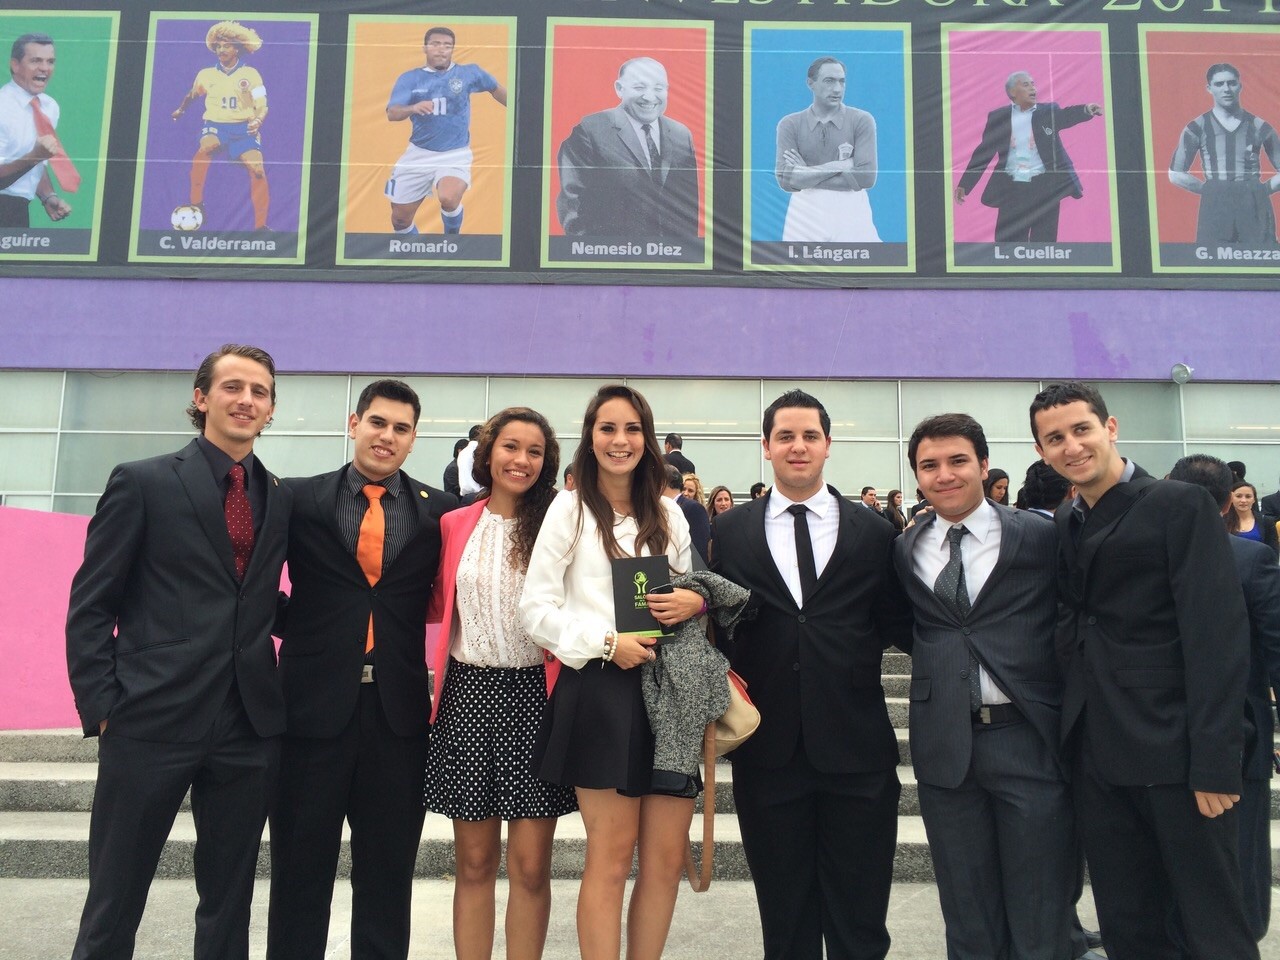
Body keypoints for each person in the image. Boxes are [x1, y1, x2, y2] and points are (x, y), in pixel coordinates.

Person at [66, 343, 291, 960]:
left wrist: (353, 629)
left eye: (260, 392)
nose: (247, 400)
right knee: (115, 894)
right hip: (149, 718)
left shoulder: (277, 494)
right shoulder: (141, 482)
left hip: (247, 725)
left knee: (229, 897)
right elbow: (92, 602)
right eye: (233, 387)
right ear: (201, 398)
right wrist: (104, 704)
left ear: (271, 409)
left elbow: (260, 600)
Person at [1029, 380, 1257, 960]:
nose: (1071, 446)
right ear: (1041, 452)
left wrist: (1215, 761)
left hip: (1176, 751)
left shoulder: (1176, 503)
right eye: (1054, 439)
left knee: (1211, 923)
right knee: (1128, 923)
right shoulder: (1065, 519)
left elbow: (1216, 636)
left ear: (1110, 428)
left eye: (1081, 429)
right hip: (1098, 754)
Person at [711, 389, 913, 960]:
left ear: (828, 445)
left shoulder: (875, 532)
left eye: (809, 436)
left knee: (861, 916)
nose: (797, 446)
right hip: (767, 750)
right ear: (766, 448)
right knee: (785, 915)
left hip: (857, 749)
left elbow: (898, 622)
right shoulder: (730, 532)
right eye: (784, 436)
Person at [267, 379, 457, 960]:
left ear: (414, 439)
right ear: (355, 424)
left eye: (401, 429)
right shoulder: (297, 498)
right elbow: (252, 588)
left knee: (387, 877)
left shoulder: (439, 515)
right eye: (378, 423)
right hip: (307, 713)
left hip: (397, 719)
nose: (387, 436)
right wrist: (304, 628)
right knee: (299, 873)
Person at [894, 414, 1090, 960]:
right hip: (944, 746)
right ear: (917, 477)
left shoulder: (1040, 534)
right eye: (929, 466)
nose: (945, 475)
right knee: (967, 908)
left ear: (983, 465)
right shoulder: (906, 547)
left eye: (958, 461)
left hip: (1027, 736)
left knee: (1041, 905)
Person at [520, 384, 704, 960]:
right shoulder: (569, 509)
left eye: (631, 430)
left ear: (647, 440)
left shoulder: (670, 514)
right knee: (612, 853)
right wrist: (605, 642)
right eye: (607, 429)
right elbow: (535, 611)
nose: (619, 441)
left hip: (668, 690)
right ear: (590, 437)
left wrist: (692, 602)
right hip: (600, 689)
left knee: (666, 861)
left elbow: (684, 591)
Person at [425, 407, 577, 960]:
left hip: (537, 700)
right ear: (487, 454)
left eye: (534, 451)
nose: (521, 460)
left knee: (532, 868)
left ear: (547, 462)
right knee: (473, 862)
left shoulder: (563, 525)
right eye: (510, 447)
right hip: (468, 698)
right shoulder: (452, 524)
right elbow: (435, 602)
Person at [1170, 454, 1280, 943]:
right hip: (1242, 736)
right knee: (1242, 865)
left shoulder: (1249, 560)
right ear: (1224, 503)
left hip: (1171, 733)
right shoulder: (1251, 558)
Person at [556, 57, 699, 239]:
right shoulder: (591, 129)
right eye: (639, 87)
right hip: (612, 253)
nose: (649, 97)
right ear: (619, 89)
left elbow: (689, 204)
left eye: (658, 88)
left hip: (668, 256)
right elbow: (572, 202)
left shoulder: (681, 134)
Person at [385, 26, 506, 236]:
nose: (441, 50)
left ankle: (451, 242)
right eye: (435, 44)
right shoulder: (410, 78)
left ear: (452, 49)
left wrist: (524, 112)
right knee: (400, 219)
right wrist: (412, 108)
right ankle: (415, 257)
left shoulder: (469, 73)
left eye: (447, 46)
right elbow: (392, 113)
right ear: (425, 48)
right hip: (418, 153)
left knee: (448, 198)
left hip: (454, 152)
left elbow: (496, 89)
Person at [955, 71, 1103, 243]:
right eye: (1026, 85)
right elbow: (984, 153)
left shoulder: (1048, 111)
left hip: (1046, 188)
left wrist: (1086, 110)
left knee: (1045, 244)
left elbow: (1066, 116)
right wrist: (965, 184)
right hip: (1011, 190)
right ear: (1012, 92)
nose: (1033, 88)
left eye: (1033, 84)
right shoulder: (998, 117)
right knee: (1008, 244)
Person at [171, 21, 270, 230]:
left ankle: (261, 227)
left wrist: (258, 120)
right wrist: (181, 109)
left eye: (226, 45)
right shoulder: (206, 74)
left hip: (243, 129)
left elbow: (262, 105)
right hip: (216, 125)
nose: (221, 50)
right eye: (218, 46)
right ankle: (196, 205)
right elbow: (192, 94)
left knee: (258, 170)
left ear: (237, 48)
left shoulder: (251, 74)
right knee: (207, 145)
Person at [1169, 63, 1280, 246]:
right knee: (1213, 263)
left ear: (1240, 86)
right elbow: (1175, 174)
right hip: (1216, 206)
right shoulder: (1197, 127)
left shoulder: (1260, 126)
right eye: (1219, 84)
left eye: (1232, 83)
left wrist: (1260, 190)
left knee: (1262, 263)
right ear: (1209, 88)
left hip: (1253, 203)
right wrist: (1211, 191)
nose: (1226, 89)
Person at [775, 56, 879, 242]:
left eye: (841, 81)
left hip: (852, 211)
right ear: (810, 83)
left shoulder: (862, 120)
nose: (837, 89)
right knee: (799, 269)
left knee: (861, 268)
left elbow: (866, 177)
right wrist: (841, 165)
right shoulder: (790, 124)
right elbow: (785, 179)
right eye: (829, 81)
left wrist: (805, 174)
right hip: (804, 213)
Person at [0, 32, 74, 226]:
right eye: (35, 61)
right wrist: (34, 157)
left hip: (18, 210)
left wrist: (48, 196)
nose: (44, 68)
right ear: (15, 65)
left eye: (50, 61)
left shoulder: (49, 107)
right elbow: (34, 158)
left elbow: (37, 163)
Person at [666, 464, 711, 566]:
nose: (686, 493)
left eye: (690, 491)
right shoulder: (663, 506)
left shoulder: (695, 508)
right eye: (684, 489)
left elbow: (700, 548)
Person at [1228, 479, 1280, 557]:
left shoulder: (1266, 522)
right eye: (1238, 496)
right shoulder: (1221, 521)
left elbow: (1273, 553)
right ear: (1231, 498)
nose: (1243, 500)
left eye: (1248, 496)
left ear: (1254, 499)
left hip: (1259, 567)